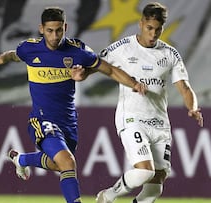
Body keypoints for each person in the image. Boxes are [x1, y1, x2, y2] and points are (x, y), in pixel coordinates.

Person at [0, 7, 146, 203]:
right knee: (68, 162)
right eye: (50, 31)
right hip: (41, 119)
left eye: (58, 30)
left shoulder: (78, 52)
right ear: (41, 29)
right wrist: (3, 58)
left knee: (59, 164)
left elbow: (109, 69)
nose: (54, 36)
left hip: (68, 123)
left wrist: (134, 84)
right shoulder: (29, 49)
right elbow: (16, 54)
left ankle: (20, 159)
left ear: (65, 27)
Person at [72, 2, 203, 203]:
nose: (153, 34)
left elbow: (184, 87)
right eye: (149, 28)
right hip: (132, 118)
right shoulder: (122, 48)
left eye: (158, 29)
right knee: (144, 172)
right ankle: (107, 196)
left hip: (160, 123)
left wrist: (192, 107)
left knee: (154, 188)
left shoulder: (170, 54)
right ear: (141, 24)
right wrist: (83, 74)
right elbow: (98, 65)